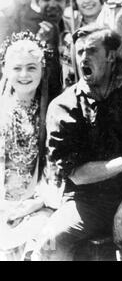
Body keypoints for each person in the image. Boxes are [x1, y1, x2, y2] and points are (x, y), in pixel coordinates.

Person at [30, 25, 122, 261]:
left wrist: (120, 216)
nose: (84, 57)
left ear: (111, 56)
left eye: (92, 50)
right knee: (49, 241)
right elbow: (77, 174)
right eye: (80, 51)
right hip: (86, 201)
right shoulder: (63, 106)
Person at [0, 32, 58, 260]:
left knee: (48, 243)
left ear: (42, 70)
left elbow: (56, 168)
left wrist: (34, 204)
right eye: (17, 68)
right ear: (6, 70)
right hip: (3, 203)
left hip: (37, 203)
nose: (24, 75)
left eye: (31, 68)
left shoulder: (54, 113)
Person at [34, 0, 72, 100]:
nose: (52, 4)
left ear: (66, 2)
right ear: (37, 1)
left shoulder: (74, 29)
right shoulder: (30, 29)